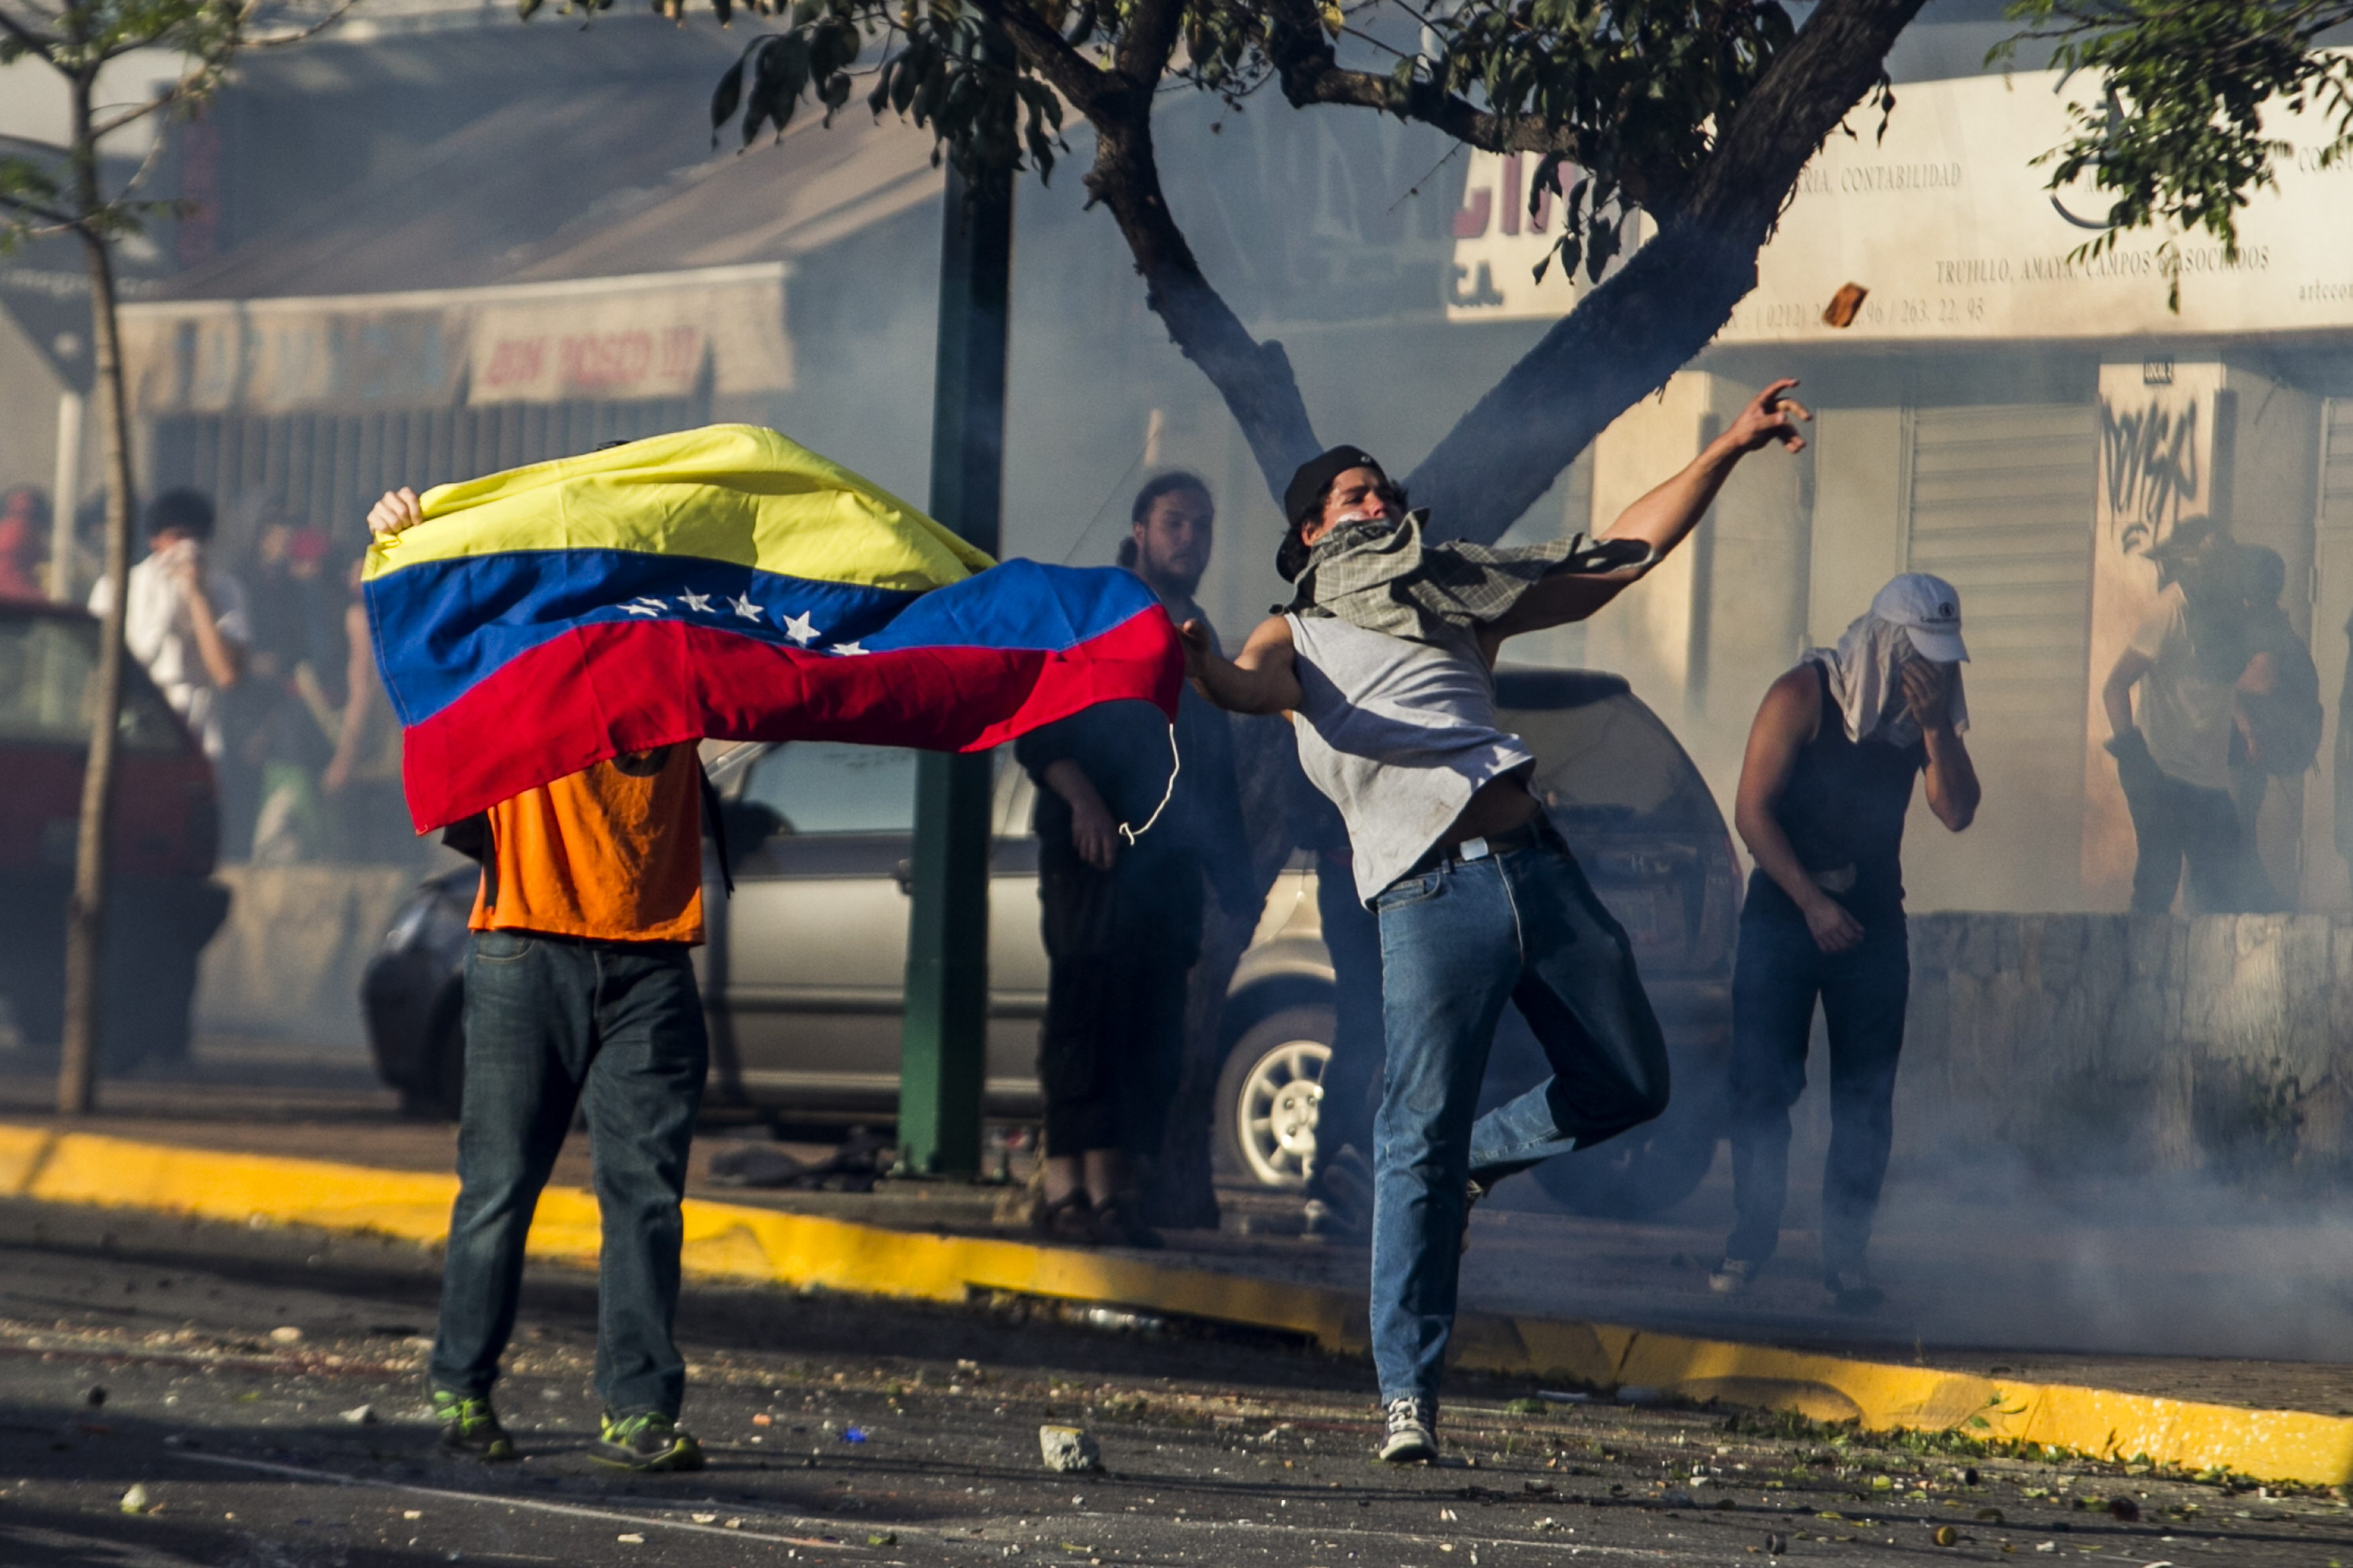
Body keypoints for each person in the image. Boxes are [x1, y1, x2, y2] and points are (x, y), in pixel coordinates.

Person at [1179, 381, 1809, 1462]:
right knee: (1407, 1141)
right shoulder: (1301, 629)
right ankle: (1408, 1395)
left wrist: (1731, 446)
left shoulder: (1463, 594)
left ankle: (1474, 1155)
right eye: (1353, 495)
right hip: (1429, 897)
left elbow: (1620, 553)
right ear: (1312, 532)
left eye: (1382, 490)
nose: (1377, 504)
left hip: (1539, 871)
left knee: (1633, 1082)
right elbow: (1244, 687)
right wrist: (1197, 659)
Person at [366, 484, 711, 1473]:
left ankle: (638, 1410)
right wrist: (405, 530)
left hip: (649, 954)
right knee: (499, 1190)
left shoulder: (685, 631)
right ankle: (461, 1389)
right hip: (526, 943)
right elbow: (420, 626)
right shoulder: (515, 627)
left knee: (644, 1197)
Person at [1708, 574, 1981, 1313]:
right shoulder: (1802, 695)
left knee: (1865, 1093)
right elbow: (1751, 811)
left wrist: (1933, 730)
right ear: (1885, 644)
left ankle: (1845, 1258)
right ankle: (1748, 1240)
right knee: (1763, 1084)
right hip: (1783, 909)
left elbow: (1955, 811)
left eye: (1938, 658)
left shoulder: (1926, 717)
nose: (1927, 672)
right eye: (1916, 654)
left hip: (1870, 918)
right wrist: (1810, 903)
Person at [1016, 472, 1252, 1247]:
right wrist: (1082, 797)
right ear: (1140, 531)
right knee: (1084, 1015)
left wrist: (1235, 876)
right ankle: (1065, 1189)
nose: (1190, 539)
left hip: (1168, 864)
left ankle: (1117, 1192)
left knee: (1147, 1029)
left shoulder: (1197, 634)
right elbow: (1037, 721)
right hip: (1089, 856)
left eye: (1201, 526)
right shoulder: (1096, 609)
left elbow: (1210, 761)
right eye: (1175, 523)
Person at [2102, 522, 2281, 913]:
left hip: (2208, 779)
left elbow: (2211, 677)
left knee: (2230, 891)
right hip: (2162, 774)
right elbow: (2114, 687)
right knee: (2157, 886)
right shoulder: (2168, 611)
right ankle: (2133, 970)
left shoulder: (2230, 614)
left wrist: (2246, 726)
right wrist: (2134, 758)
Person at [88, 488, 249, 760]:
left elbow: (226, 674)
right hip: (129, 736)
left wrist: (197, 596)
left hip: (197, 740)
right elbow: (95, 674)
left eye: (196, 538)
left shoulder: (225, 591)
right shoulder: (115, 588)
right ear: (155, 540)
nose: (187, 547)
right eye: (178, 537)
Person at [0, 486, 49, 601]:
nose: (20, 524)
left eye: (28, 516)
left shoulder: (30, 534)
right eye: (16, 514)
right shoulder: (11, 531)